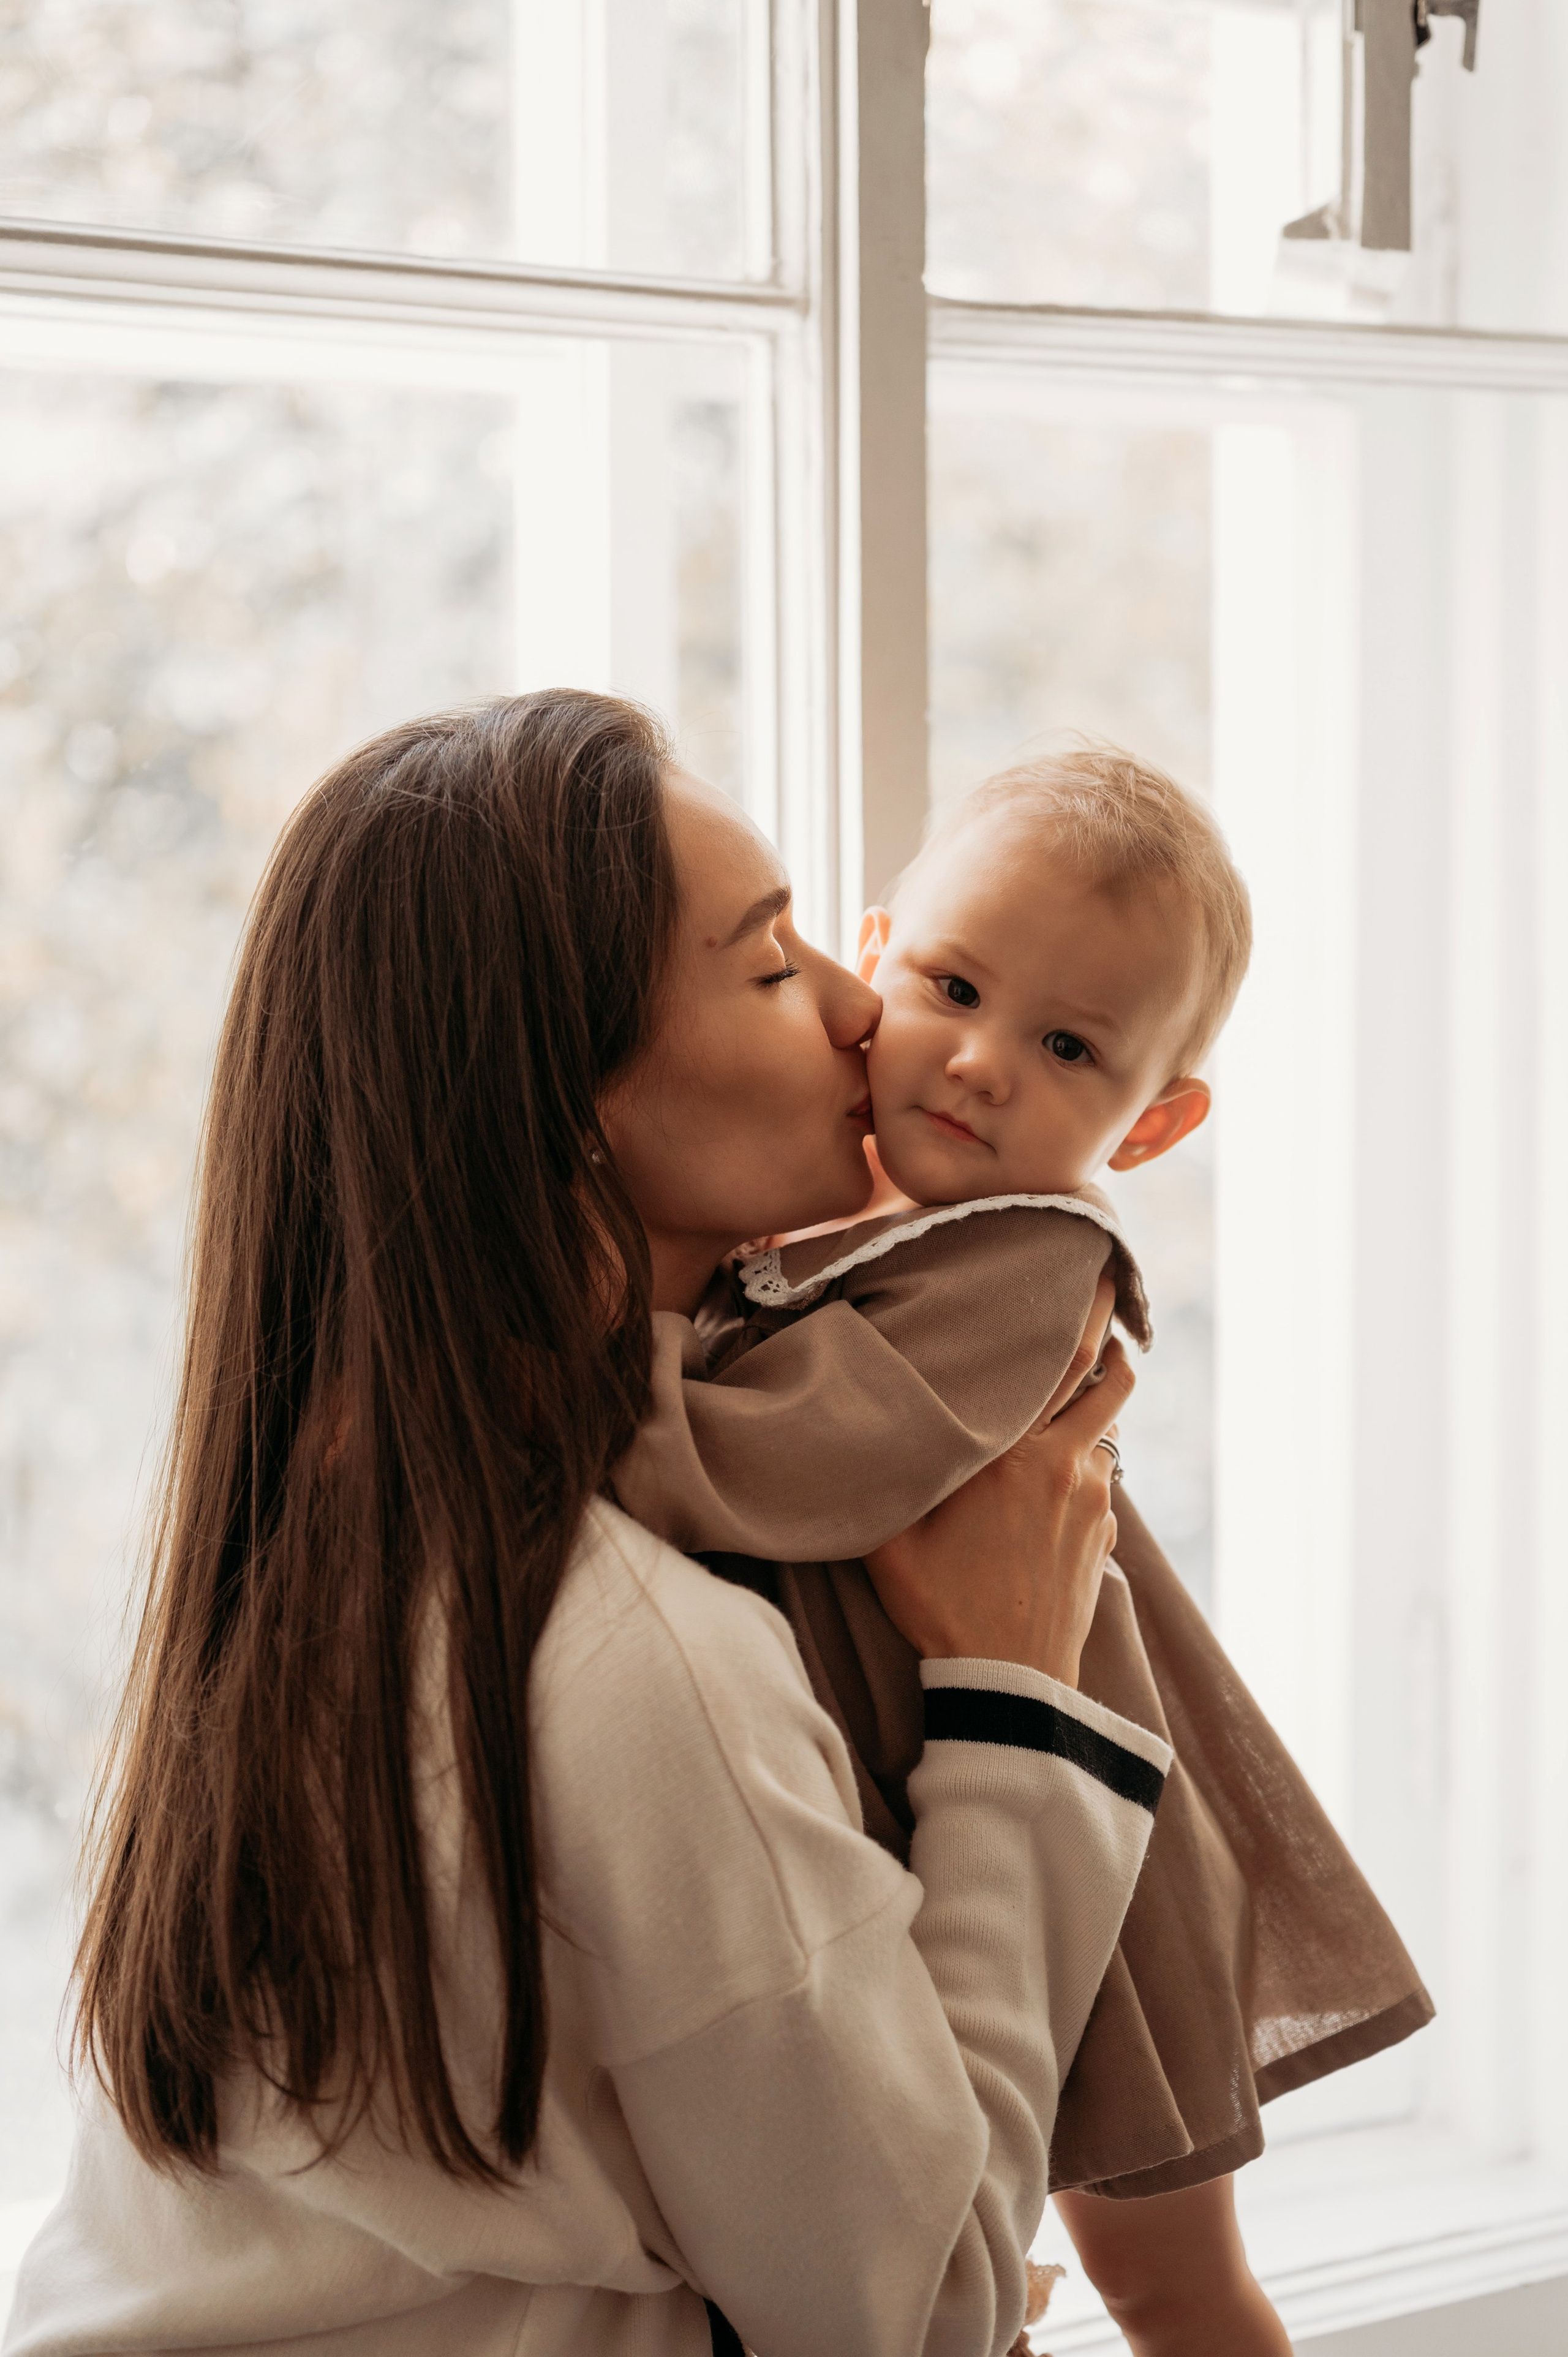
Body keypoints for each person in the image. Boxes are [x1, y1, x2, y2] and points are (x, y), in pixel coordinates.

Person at [6, 692, 1167, 2357]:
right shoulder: (632, 1661)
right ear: (561, 1113)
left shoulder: (315, 1542)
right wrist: (1012, 1709)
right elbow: (915, 2317)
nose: (863, 1009)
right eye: (773, 968)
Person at [612, 745, 1432, 2357]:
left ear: (1155, 1121)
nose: (981, 1064)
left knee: (1168, 2286)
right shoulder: (818, 1207)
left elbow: (791, 1464)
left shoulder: (1029, 1261)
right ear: (874, 951)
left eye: (1067, 1047)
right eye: (954, 984)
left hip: (1086, 1828)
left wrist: (584, 1373)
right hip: (926, 1789)